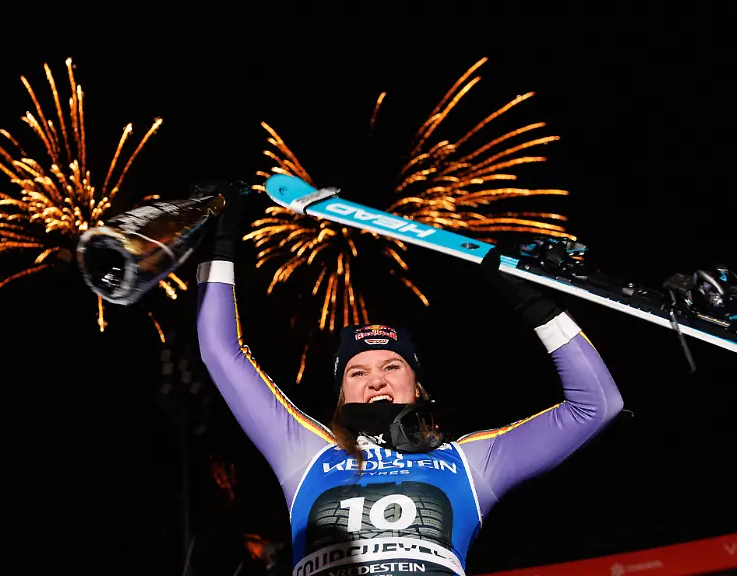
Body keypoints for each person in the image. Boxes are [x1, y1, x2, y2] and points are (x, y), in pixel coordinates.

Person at [194, 178, 624, 576]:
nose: (375, 380)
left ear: (417, 385)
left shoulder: (471, 464)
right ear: (342, 393)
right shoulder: (304, 455)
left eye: (391, 366)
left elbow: (597, 406)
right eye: (357, 371)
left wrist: (530, 302)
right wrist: (223, 241)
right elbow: (221, 351)